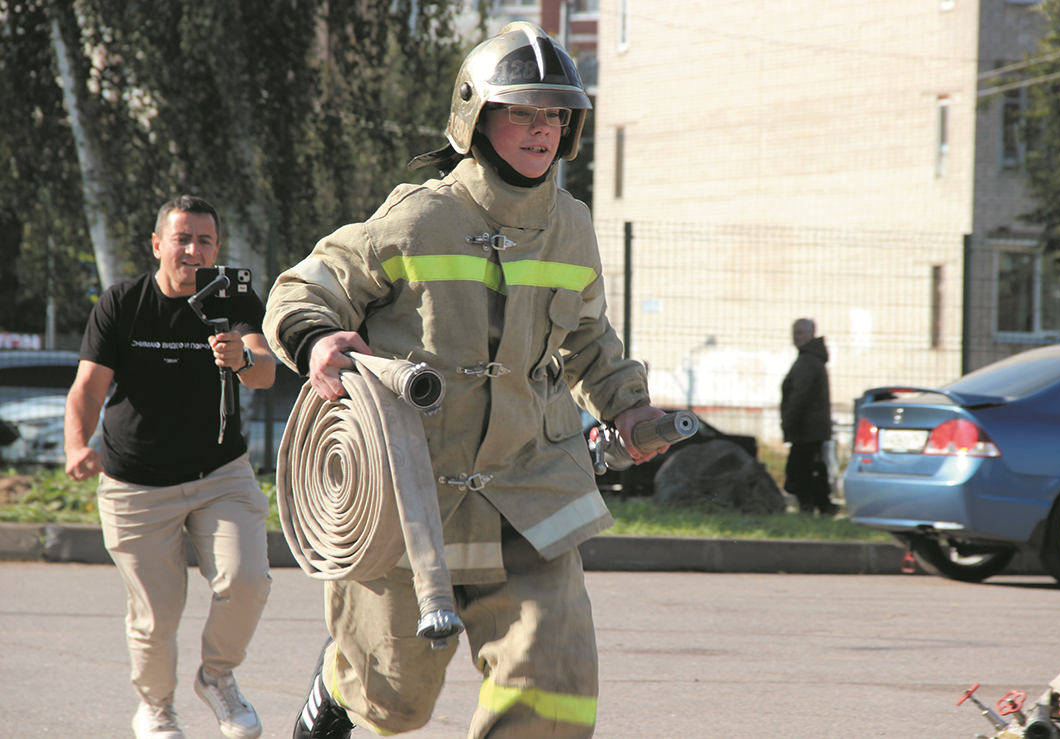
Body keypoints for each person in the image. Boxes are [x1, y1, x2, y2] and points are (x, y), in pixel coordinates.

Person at [263, 22, 667, 739]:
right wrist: (317, 338)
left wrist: (627, 407)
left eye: (555, 114)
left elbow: (586, 337)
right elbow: (305, 288)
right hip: (410, 498)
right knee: (390, 700)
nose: (541, 129)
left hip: (530, 493)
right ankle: (335, 688)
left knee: (555, 679)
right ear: (475, 117)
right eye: (521, 111)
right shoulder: (416, 218)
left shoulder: (572, 226)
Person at [64, 195, 277, 739]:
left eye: (205, 240)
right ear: (157, 245)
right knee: (156, 619)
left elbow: (265, 373)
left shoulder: (232, 298)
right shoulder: (122, 303)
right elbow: (87, 390)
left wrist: (243, 358)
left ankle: (218, 678)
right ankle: (157, 708)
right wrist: (76, 447)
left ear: (217, 249)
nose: (193, 250)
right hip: (135, 483)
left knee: (248, 579)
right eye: (182, 238)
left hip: (219, 475)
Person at [780, 318, 836, 515]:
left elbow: (799, 396)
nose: (797, 337)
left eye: (801, 332)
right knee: (812, 470)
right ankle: (823, 507)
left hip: (806, 428)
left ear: (812, 334)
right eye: (795, 332)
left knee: (799, 473)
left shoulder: (809, 361)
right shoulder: (810, 358)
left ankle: (810, 508)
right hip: (810, 429)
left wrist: (788, 421)